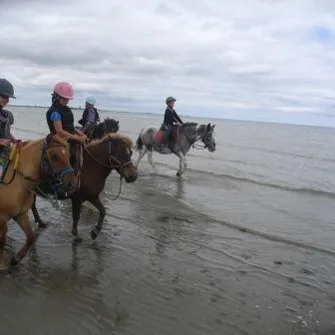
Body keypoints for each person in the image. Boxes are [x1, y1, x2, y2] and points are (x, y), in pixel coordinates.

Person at [46, 82, 87, 172]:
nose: (66, 101)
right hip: (59, 138)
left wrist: (81, 134)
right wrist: (77, 138)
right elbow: (59, 130)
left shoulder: (66, 109)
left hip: (69, 136)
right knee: (71, 155)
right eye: (64, 99)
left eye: (67, 99)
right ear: (56, 97)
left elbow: (71, 127)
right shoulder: (55, 112)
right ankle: (68, 174)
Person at [0, 78, 16, 178]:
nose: (6, 99)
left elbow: (7, 133)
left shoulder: (8, 115)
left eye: (8, 97)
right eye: (4, 96)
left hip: (6, 153)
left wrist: (14, 140)